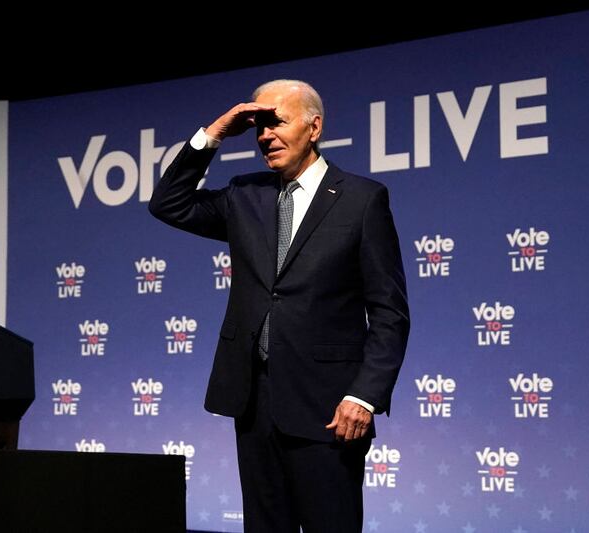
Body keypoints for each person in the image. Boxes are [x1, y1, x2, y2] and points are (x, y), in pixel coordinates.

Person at [149, 79, 409, 532]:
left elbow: (389, 311)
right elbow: (169, 204)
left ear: (315, 127)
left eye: (277, 123)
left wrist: (364, 396)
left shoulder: (362, 199)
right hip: (254, 399)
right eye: (258, 127)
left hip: (330, 405)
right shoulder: (245, 194)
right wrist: (212, 134)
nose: (265, 135)